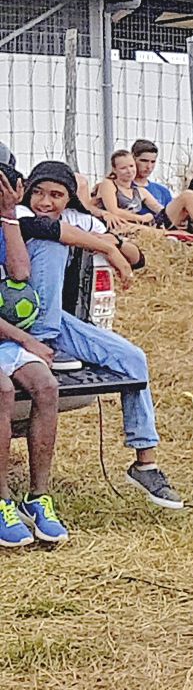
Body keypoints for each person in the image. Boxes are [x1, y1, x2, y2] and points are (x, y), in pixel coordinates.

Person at [5, 160, 173, 523]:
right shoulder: (19, 213)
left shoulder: (79, 218)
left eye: (56, 195)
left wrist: (116, 242)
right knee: (50, 243)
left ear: (70, 198)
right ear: (25, 191)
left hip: (55, 322)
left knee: (133, 360)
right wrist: (106, 248)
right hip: (23, 325)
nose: (45, 201)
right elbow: (46, 229)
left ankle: (145, 462)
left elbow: (138, 259)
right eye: (38, 192)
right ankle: (41, 344)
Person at [0, 169, 67, 544]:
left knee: (46, 387)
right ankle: (1, 500)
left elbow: (21, 272)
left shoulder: (10, 222)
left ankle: (37, 498)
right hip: (11, 336)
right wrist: (27, 339)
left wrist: (9, 215)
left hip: (6, 340)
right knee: (3, 391)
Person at [93, 148, 165, 227]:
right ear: (114, 170)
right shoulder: (109, 184)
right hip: (112, 226)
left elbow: (159, 208)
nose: (129, 171)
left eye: (131, 166)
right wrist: (141, 218)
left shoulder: (139, 191)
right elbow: (113, 211)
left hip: (132, 226)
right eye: (123, 168)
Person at [129, 138, 174, 212]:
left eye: (153, 162)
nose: (149, 166)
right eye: (144, 161)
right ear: (133, 158)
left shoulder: (163, 191)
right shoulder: (120, 188)